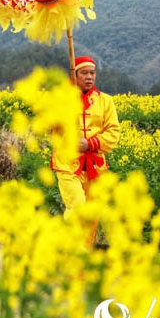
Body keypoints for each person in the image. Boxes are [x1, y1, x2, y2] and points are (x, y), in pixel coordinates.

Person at [50, 56, 121, 229]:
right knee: (77, 205)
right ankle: (72, 249)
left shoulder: (105, 101)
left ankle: (84, 253)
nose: (89, 77)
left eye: (92, 73)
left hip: (95, 166)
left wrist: (91, 144)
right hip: (67, 163)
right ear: (74, 76)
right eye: (84, 73)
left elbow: (113, 132)